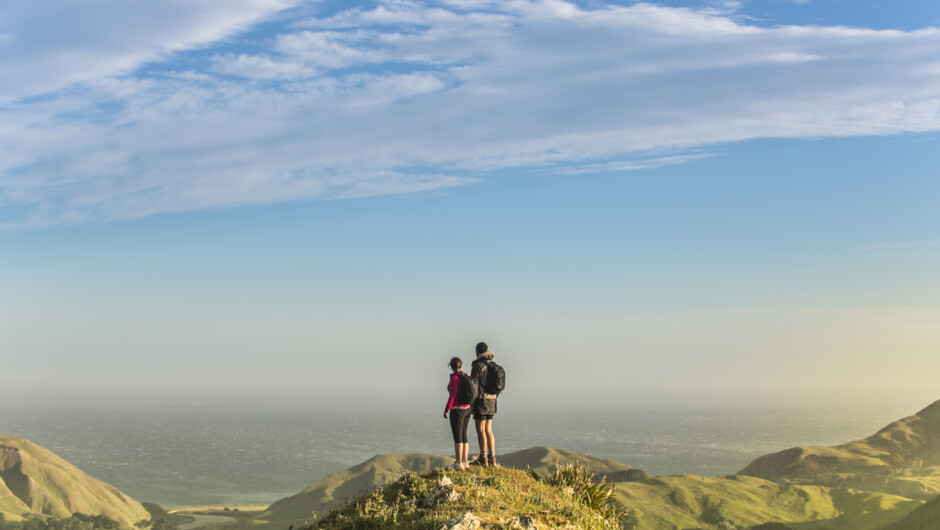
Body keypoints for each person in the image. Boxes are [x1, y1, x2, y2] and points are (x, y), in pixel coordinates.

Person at [470, 342, 498, 467]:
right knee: (488, 429)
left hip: (481, 400)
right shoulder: (493, 364)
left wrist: (471, 403)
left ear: (477, 352)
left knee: (480, 429)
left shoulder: (477, 366)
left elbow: (473, 386)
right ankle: (492, 458)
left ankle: (483, 458)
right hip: (492, 400)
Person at [443, 356, 471, 470]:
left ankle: (458, 462)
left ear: (451, 366)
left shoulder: (454, 378)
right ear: (461, 365)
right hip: (467, 408)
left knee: (457, 436)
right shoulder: (465, 376)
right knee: (464, 435)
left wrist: (446, 410)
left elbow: (453, 396)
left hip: (457, 409)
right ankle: (465, 461)